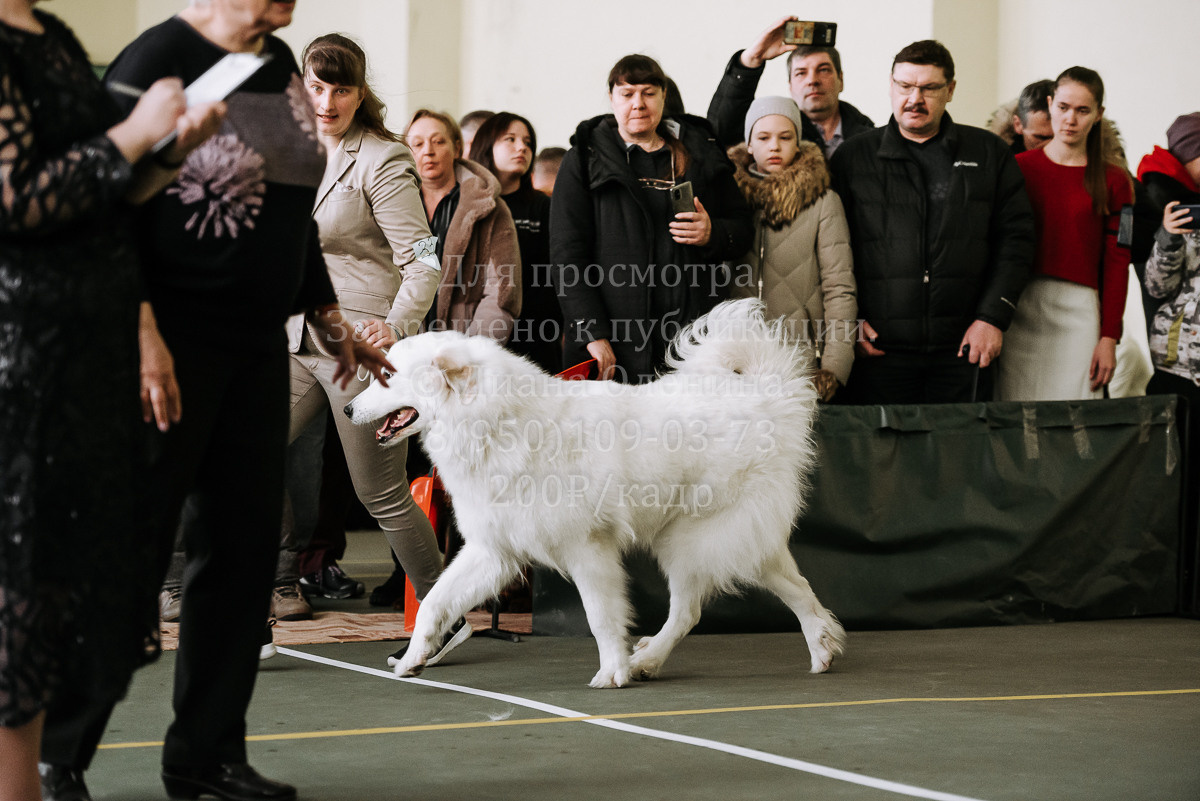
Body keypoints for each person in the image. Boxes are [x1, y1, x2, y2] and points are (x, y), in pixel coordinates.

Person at [38, 3, 393, 801]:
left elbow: (289, 216)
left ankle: (205, 754)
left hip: (256, 347)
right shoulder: (156, 56)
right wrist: (139, 332)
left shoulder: (278, 68)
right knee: (129, 552)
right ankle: (56, 753)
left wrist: (329, 317)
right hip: (165, 344)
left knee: (237, 557)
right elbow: (102, 208)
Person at [0, 2, 223, 799]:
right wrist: (131, 137)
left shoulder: (51, 35)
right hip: (20, 357)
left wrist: (167, 155)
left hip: (81, 356)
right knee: (18, 591)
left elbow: (101, 191)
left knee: (50, 599)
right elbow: (15, 199)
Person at [269, 33, 445, 621]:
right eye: (316, 87)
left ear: (358, 92)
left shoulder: (382, 158)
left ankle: (446, 610)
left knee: (382, 495)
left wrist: (395, 326)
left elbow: (422, 260)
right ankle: (255, 605)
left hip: (360, 349)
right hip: (293, 339)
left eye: (340, 89)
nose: (327, 101)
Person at [830, 40, 1034, 404]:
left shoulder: (988, 154)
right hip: (877, 350)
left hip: (965, 348)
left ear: (950, 90)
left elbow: (1016, 241)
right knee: (882, 459)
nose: (914, 99)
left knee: (961, 458)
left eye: (929, 88)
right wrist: (850, 322)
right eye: (904, 86)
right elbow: (831, 252)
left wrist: (992, 318)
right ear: (891, 86)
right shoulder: (853, 158)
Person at [551, 53, 753, 384]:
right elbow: (566, 255)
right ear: (612, 99)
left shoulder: (700, 153)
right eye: (627, 94)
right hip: (613, 340)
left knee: (687, 432)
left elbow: (743, 230)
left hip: (690, 342)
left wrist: (713, 233)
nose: (638, 104)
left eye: (648, 93)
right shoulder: (584, 160)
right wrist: (591, 331)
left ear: (663, 96)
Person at [996, 67, 1133, 401]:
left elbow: (1119, 261)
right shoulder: (1016, 169)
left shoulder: (1116, 181)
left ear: (1099, 115)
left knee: (1077, 420)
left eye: (1083, 110)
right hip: (1020, 307)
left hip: (1080, 313)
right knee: (1017, 420)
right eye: (1063, 107)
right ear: (1050, 103)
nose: (1070, 119)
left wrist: (1109, 337)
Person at [728, 96, 857, 401]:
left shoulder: (824, 202)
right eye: (763, 137)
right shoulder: (729, 200)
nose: (774, 146)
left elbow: (839, 287)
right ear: (748, 144)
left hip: (801, 363)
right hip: (737, 363)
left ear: (798, 143)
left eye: (785, 137)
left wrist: (834, 367)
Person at [405, 109, 522, 342]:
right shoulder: (396, 206)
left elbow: (502, 291)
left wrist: (469, 354)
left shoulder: (489, 206)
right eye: (417, 144)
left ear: (457, 148)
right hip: (405, 346)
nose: (428, 151)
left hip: (466, 345)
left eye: (438, 142)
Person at [470, 111, 563, 373]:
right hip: (478, 335)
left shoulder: (544, 207)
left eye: (528, 142)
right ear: (486, 146)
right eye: (510, 139)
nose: (522, 147)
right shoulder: (465, 204)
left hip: (537, 338)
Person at [706, 15, 874, 156]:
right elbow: (721, 132)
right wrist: (751, 60)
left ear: (841, 80)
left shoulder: (872, 139)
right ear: (790, 86)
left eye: (823, 70)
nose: (812, 80)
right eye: (801, 73)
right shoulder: (773, 137)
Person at [987, 79, 1055, 154]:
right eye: (1042, 138)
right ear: (1018, 124)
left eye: (1058, 137)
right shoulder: (996, 160)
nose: (1053, 146)